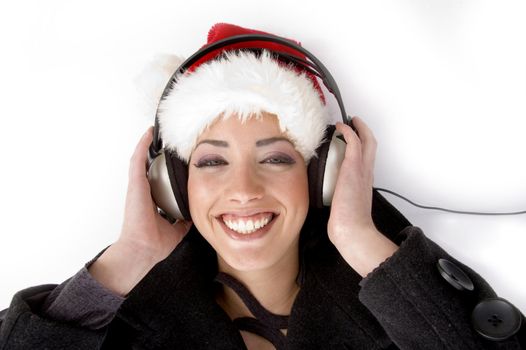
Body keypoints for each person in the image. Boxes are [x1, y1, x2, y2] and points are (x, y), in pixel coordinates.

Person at [0, 23, 524, 350]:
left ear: (323, 174)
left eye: (275, 157)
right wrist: (127, 258)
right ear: (171, 185)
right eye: (210, 163)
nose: (244, 189)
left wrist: (361, 236)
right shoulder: (117, 321)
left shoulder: (403, 305)